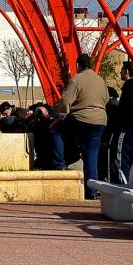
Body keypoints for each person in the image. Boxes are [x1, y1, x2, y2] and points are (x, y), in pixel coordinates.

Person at [52, 53, 108, 199]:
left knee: (55, 130)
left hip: (81, 118)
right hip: (100, 121)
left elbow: (65, 101)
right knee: (91, 156)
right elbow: (106, 98)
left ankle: (60, 165)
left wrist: (60, 115)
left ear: (78, 66)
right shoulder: (100, 80)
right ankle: (91, 192)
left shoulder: (76, 80)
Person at [97, 86, 121, 183]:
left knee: (106, 162)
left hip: (108, 140)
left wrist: (104, 141)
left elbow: (109, 126)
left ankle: (105, 179)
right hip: (113, 139)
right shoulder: (116, 105)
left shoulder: (110, 108)